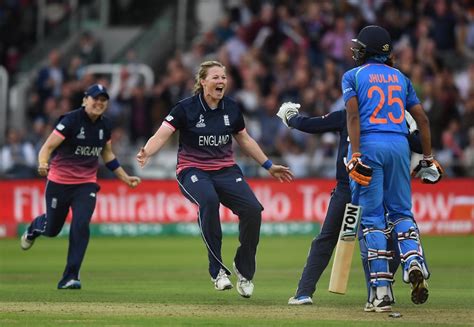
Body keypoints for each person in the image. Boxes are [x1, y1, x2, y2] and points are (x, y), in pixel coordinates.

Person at [136, 60, 293, 298]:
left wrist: (268, 165)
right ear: (203, 82)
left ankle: (244, 269)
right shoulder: (184, 108)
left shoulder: (231, 108)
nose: (221, 81)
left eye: (224, 77)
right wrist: (147, 151)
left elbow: (245, 139)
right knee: (208, 201)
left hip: (226, 171)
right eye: (216, 77)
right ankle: (217, 270)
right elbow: (162, 134)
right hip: (192, 170)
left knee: (253, 210)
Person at [276, 104, 422, 309]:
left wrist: (291, 118)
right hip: (378, 190)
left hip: (350, 189)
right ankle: (381, 290)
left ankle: (303, 293)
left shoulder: (349, 115)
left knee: (327, 240)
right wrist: (412, 129)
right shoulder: (393, 118)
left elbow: (311, 125)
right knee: (385, 240)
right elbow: (420, 145)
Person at [343, 25, 443, 312]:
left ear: (367, 50)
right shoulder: (401, 78)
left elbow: (352, 115)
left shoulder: (352, 76)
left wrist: (357, 152)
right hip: (399, 146)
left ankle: (382, 292)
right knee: (401, 212)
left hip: (370, 146)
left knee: (373, 219)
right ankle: (413, 260)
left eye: (359, 46)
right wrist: (427, 158)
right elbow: (422, 120)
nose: (355, 50)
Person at [20, 84, 141, 289]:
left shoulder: (105, 125)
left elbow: (107, 154)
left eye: (103, 100)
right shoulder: (70, 120)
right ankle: (33, 228)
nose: (99, 103)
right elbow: (48, 146)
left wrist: (125, 177)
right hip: (59, 183)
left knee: (81, 224)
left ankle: (70, 276)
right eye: (95, 99)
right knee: (52, 229)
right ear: (85, 100)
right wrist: (42, 163)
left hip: (86, 184)